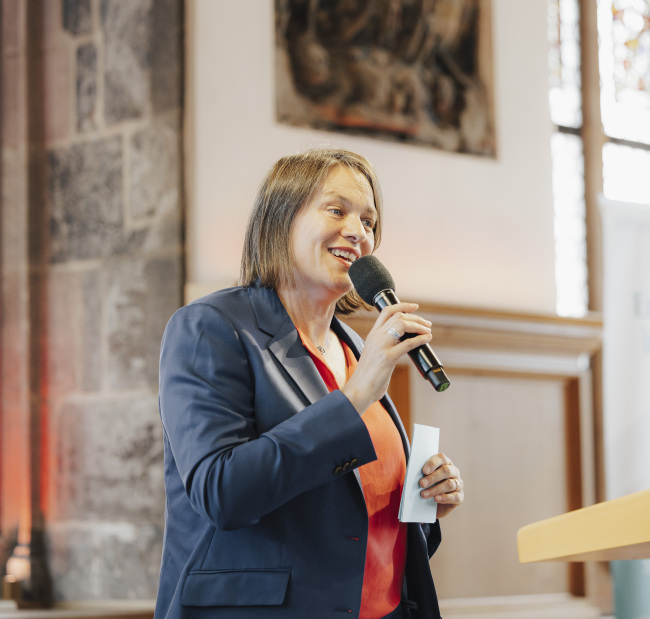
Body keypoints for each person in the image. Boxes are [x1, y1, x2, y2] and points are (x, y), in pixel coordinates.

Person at [154, 148, 464, 618]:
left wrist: (424, 503)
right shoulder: (210, 327)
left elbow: (346, 512)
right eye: (337, 210)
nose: (359, 232)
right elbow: (222, 493)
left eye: (369, 221)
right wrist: (357, 395)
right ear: (280, 220)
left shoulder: (355, 348)